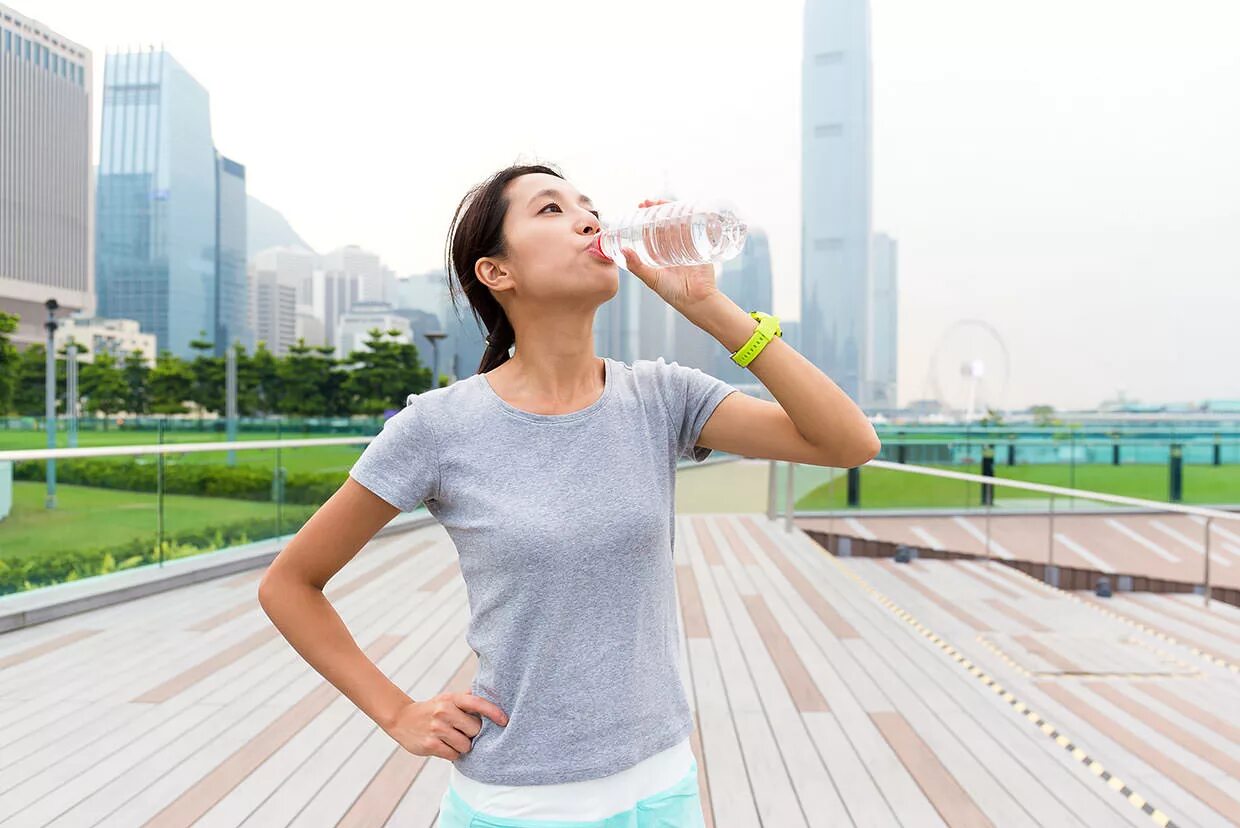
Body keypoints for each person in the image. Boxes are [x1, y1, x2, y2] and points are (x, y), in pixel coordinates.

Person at [257, 163, 881, 826]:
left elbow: (847, 442)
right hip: (520, 803)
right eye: (551, 210)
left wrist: (711, 311)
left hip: (663, 787)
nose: (589, 220)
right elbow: (290, 583)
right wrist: (397, 712)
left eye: (588, 207)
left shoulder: (661, 397)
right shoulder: (440, 426)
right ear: (497, 272)